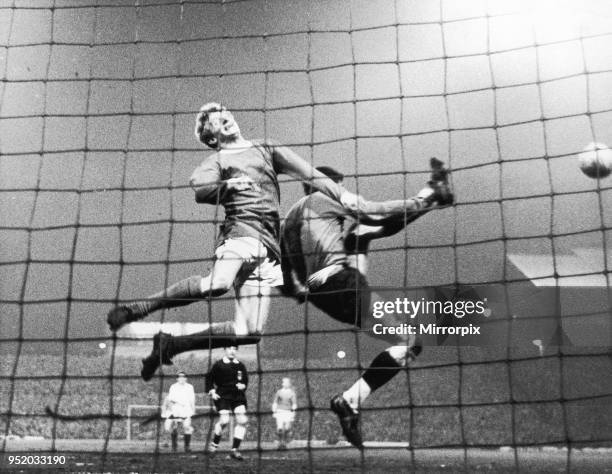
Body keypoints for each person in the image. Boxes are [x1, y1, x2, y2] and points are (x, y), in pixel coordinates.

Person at [107, 102, 426, 381]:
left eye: (225, 111)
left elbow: (310, 174)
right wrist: (228, 184)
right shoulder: (217, 161)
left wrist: (342, 194)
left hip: (267, 252)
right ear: (212, 137)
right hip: (241, 235)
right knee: (217, 285)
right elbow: (199, 188)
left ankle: (170, 344)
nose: (225, 116)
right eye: (217, 118)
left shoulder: (266, 149)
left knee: (249, 333)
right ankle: (139, 307)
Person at [281, 159, 454, 449]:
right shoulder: (325, 197)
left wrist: (298, 290)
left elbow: (286, 281)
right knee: (411, 342)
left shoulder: (288, 220)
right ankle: (432, 193)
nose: (342, 188)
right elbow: (377, 211)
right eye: (339, 183)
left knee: (360, 234)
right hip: (344, 283)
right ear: (328, 184)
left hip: (323, 296)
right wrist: (421, 200)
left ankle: (433, 194)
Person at [205, 345, 249, 461]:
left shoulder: (240, 365)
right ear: (225, 350)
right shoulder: (218, 365)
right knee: (224, 421)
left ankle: (234, 450)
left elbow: (245, 380)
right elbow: (209, 379)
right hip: (223, 395)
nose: (232, 351)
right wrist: (212, 391)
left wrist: (244, 385)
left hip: (237, 396)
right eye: (229, 348)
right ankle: (214, 446)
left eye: (234, 349)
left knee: (243, 420)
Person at [161, 371, 196, 452]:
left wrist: (193, 410)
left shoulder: (190, 387)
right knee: (174, 427)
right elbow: (170, 399)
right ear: (177, 378)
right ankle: (174, 446)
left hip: (186, 410)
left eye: (183, 377)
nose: (182, 378)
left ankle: (187, 447)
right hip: (176, 409)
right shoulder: (173, 387)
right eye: (180, 377)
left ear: (186, 378)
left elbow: (192, 400)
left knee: (187, 427)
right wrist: (170, 410)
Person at [271, 377, 298, 449]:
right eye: (283, 382)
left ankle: (284, 443)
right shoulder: (279, 392)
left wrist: (293, 413)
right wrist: (274, 410)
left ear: (289, 384)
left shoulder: (292, 393)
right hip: (280, 412)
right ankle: (280, 443)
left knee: (286, 429)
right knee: (279, 429)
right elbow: (275, 402)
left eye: (286, 382)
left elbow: (294, 404)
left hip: (288, 413)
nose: (284, 383)